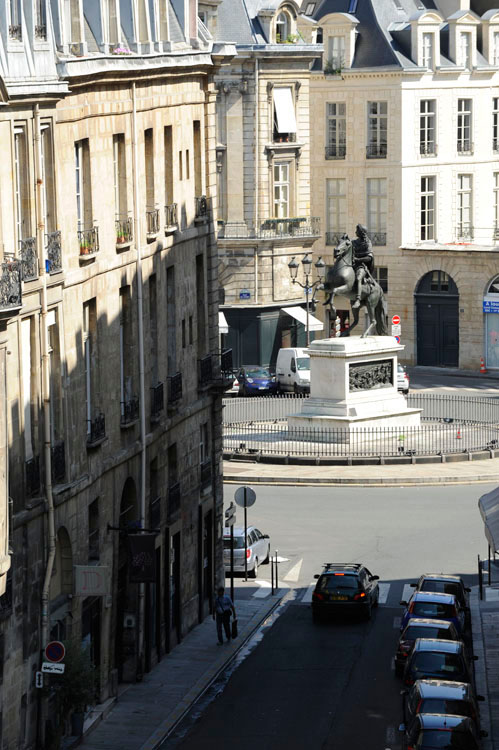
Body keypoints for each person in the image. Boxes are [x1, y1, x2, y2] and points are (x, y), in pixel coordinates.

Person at [351, 224, 374, 309]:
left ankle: (358, 299)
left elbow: (369, 257)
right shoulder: (354, 242)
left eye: (357, 231)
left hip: (362, 266)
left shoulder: (368, 243)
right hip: (352, 265)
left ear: (362, 232)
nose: (355, 232)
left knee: (358, 278)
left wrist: (358, 259)